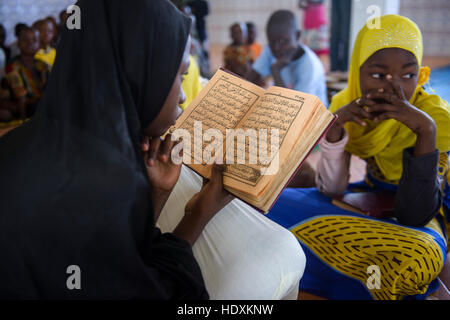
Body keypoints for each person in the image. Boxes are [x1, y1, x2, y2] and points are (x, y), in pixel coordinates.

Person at [0, 0, 305, 299]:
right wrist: (200, 211)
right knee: (284, 252)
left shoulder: (27, 140)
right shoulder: (97, 186)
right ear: (139, 73)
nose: (184, 97)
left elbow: (127, 259)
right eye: (179, 76)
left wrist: (156, 194)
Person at [266, 15, 450, 300]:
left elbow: (416, 214)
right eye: (378, 75)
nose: (394, 89)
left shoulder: (435, 118)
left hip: (426, 218)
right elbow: (332, 190)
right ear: (357, 71)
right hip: (369, 201)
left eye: (408, 75)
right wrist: (335, 132)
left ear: (419, 74)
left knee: (420, 254)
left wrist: (425, 132)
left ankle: (326, 273)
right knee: (265, 207)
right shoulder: (344, 105)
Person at [246, 10, 328, 106]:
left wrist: (276, 70)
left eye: (283, 41)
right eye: (272, 42)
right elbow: (248, 80)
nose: (276, 47)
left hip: (310, 116)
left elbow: (290, 109)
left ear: (297, 36)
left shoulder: (310, 66)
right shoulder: (270, 49)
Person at [4, 26, 50, 120]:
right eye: (25, 40)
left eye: (34, 40)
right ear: (18, 44)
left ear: (39, 44)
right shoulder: (12, 66)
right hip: (26, 106)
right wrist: (23, 118)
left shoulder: (43, 65)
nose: (30, 43)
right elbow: (20, 96)